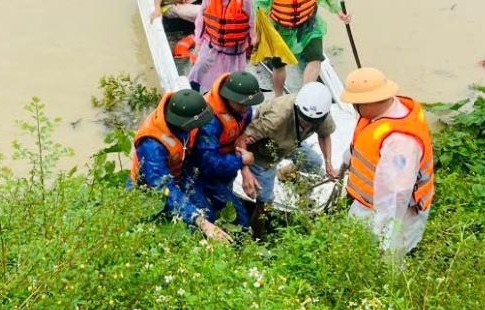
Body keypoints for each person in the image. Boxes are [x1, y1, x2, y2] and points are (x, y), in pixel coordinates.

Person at [336, 67, 433, 257]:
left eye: (356, 103)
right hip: (368, 203)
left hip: (399, 215)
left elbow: (396, 195)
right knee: (353, 247)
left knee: (389, 263)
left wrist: (385, 236)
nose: (354, 107)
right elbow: (358, 148)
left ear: (370, 102)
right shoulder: (376, 117)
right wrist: (341, 168)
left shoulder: (400, 142)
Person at [235, 81, 342, 238]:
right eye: (303, 118)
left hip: (291, 143)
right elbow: (241, 140)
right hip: (263, 154)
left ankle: (285, 173)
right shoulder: (276, 118)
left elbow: (324, 134)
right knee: (265, 201)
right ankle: (257, 236)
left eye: (312, 122)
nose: (307, 123)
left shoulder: (320, 113)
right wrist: (245, 172)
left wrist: (329, 165)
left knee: (313, 163)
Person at [130, 89, 232, 243]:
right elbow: (163, 187)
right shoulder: (151, 145)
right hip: (149, 187)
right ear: (184, 124)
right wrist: (200, 222)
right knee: (189, 229)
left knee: (207, 213)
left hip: (180, 172)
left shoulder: (185, 120)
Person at [256, 0, 350, 97]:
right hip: (280, 27)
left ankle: (305, 95)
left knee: (315, 58)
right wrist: (258, 33)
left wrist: (339, 11)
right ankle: (278, 97)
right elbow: (260, 5)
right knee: (279, 65)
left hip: (309, 25)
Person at [184, 71, 264, 229]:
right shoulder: (210, 120)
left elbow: (241, 137)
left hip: (227, 166)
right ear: (228, 97)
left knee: (231, 213)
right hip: (201, 173)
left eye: (248, 104)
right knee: (235, 220)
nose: (246, 108)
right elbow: (207, 162)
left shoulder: (243, 108)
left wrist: (245, 169)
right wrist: (241, 161)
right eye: (242, 104)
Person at [188, 0, 256, 92]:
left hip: (234, 49)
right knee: (198, 70)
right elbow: (201, 20)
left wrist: (254, 40)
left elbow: (253, 23)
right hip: (212, 44)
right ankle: (194, 94)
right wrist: (198, 43)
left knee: (232, 81)